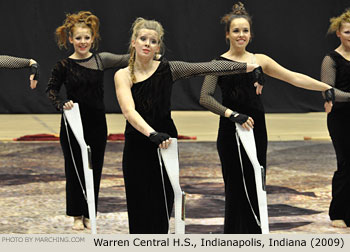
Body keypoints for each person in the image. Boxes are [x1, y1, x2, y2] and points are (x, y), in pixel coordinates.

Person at [114, 17, 263, 234]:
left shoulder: (169, 69)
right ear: (134, 42)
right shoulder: (124, 75)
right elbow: (129, 111)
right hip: (139, 142)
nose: (147, 44)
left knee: (162, 202)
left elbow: (206, 67)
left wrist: (250, 67)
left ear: (158, 46)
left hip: (166, 142)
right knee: (138, 202)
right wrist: (151, 133)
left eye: (153, 41)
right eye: (143, 39)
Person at [199, 2, 334, 234]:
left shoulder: (261, 60)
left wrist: (325, 87)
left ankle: (255, 235)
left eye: (245, 31)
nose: (241, 35)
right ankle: (234, 236)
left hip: (256, 128)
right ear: (227, 34)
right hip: (232, 130)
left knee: (256, 182)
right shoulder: (218, 64)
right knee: (235, 185)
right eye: (236, 31)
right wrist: (233, 115)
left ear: (251, 34)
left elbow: (294, 78)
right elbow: (204, 97)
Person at [46, 11, 129, 231]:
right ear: (70, 39)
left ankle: (90, 211)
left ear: (93, 39)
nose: (83, 42)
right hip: (73, 122)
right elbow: (52, 90)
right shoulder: (63, 65)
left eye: (87, 38)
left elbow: (129, 58)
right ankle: (76, 214)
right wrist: (62, 103)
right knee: (74, 169)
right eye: (78, 38)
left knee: (95, 167)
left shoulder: (101, 60)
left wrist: (152, 54)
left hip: (97, 123)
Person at [321, 9, 350, 228]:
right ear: (338, 33)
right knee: (346, 163)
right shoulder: (331, 59)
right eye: (348, 32)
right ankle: (338, 212)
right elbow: (328, 91)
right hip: (342, 118)